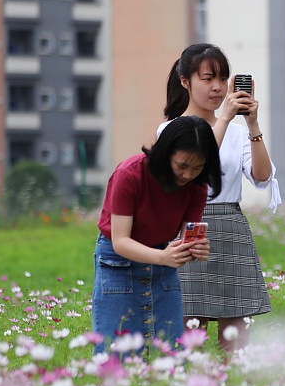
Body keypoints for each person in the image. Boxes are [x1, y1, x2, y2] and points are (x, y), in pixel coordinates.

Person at [161, 43, 281, 351]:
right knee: (191, 332)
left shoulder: (239, 132)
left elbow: (262, 176)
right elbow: (194, 163)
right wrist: (224, 119)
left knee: (236, 335)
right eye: (207, 78)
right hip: (190, 228)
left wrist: (252, 124)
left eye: (223, 78)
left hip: (230, 227)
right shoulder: (170, 130)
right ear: (185, 81)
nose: (217, 87)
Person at [92, 116, 221, 354]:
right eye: (182, 165)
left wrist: (194, 249)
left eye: (198, 167)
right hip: (118, 262)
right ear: (165, 153)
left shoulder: (197, 185)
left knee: (171, 352)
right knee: (117, 353)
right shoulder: (130, 174)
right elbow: (120, 241)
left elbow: (186, 237)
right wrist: (163, 257)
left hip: (163, 260)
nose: (188, 175)